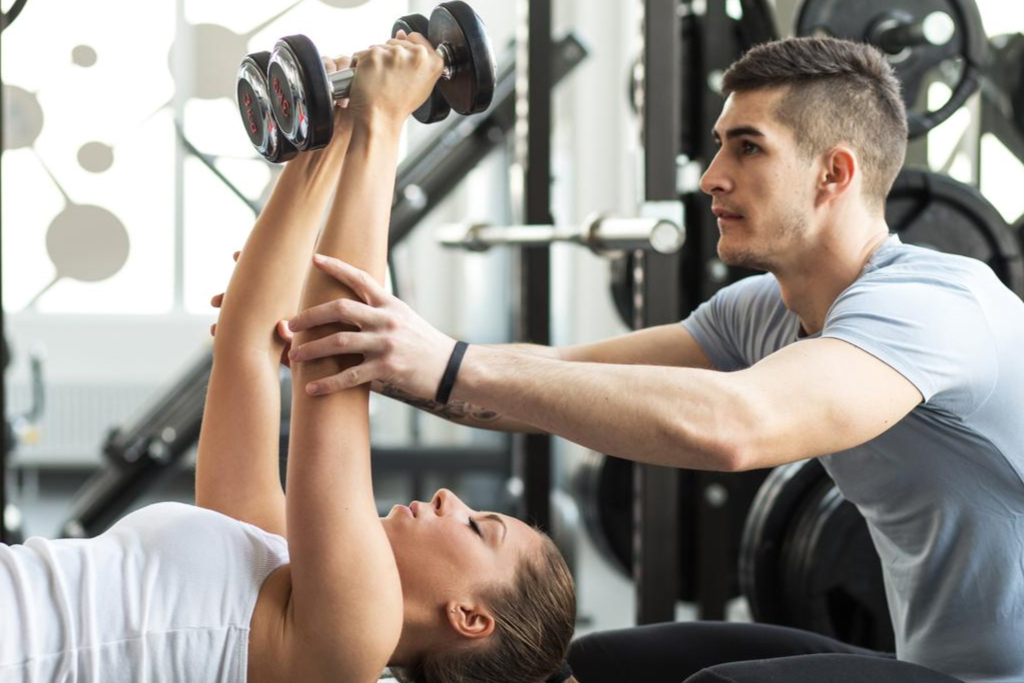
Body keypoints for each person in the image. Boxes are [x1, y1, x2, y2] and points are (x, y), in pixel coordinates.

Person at [277, 36, 1024, 683]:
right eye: (720, 142)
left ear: (834, 173)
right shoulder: (763, 309)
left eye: (748, 146)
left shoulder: (933, 304)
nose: (710, 175)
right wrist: (361, 343)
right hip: (936, 668)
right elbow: (561, 376)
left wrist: (442, 362)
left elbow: (739, 425)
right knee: (588, 667)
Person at [0, 34, 575, 683]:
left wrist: (385, 126)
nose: (450, 498)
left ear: (470, 616)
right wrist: (329, 136)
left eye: (477, 528)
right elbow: (248, 338)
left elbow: (329, 366)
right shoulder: (273, 557)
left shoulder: (354, 644)